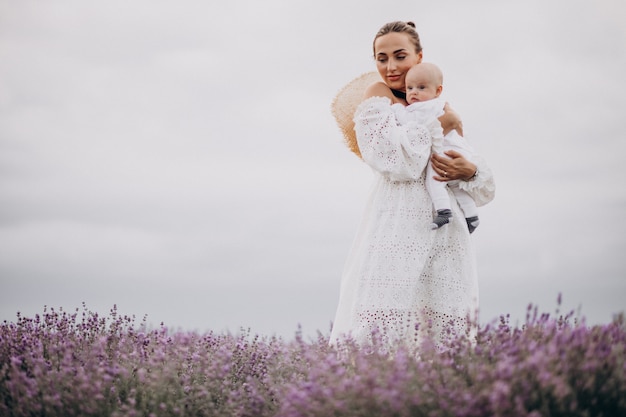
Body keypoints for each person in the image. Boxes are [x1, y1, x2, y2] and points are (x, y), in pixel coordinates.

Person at [329, 21, 495, 351]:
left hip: (447, 234)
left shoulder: (435, 103)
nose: (390, 67)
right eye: (382, 58)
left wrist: (470, 169)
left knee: (444, 336)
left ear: (419, 57)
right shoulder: (376, 98)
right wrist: (439, 125)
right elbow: (394, 160)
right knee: (381, 328)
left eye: (400, 56)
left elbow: (484, 189)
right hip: (397, 225)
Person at [394, 62, 480, 233]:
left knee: (434, 181)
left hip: (445, 152)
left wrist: (396, 109)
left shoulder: (425, 107)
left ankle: (443, 211)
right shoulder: (442, 106)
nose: (414, 92)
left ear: (438, 91)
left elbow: (412, 123)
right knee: (456, 186)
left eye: (421, 87)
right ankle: (472, 215)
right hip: (459, 152)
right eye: (409, 88)